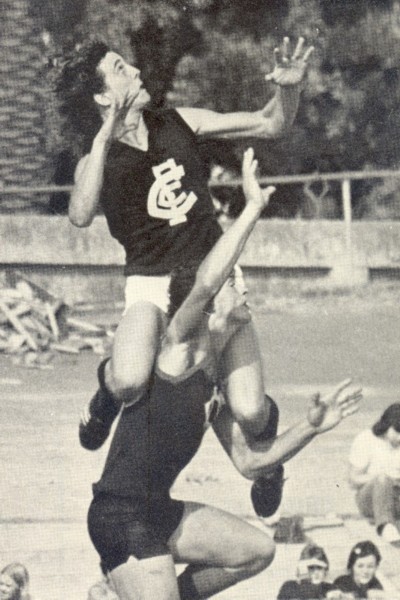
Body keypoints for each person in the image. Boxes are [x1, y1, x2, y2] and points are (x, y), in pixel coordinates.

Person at [55, 37, 315, 517]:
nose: (133, 68)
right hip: (151, 282)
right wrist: (103, 134)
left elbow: (270, 122)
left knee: (252, 411)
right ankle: (106, 389)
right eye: (118, 67)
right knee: (130, 377)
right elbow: (79, 213)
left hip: (212, 273)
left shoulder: (179, 121)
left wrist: (291, 90)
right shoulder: (96, 161)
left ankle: (272, 461)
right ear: (100, 94)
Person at [86, 149, 362, 600]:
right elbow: (207, 281)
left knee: (257, 549)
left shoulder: (213, 389)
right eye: (234, 286)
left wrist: (312, 426)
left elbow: (253, 462)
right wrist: (252, 208)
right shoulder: (175, 351)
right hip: (119, 515)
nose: (241, 290)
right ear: (209, 307)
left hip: (157, 512)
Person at [348, 403, 400, 545]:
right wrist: (384, 476)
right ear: (386, 424)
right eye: (397, 431)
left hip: (397, 497)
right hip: (370, 499)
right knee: (383, 479)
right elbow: (353, 480)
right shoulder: (366, 439)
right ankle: (385, 525)